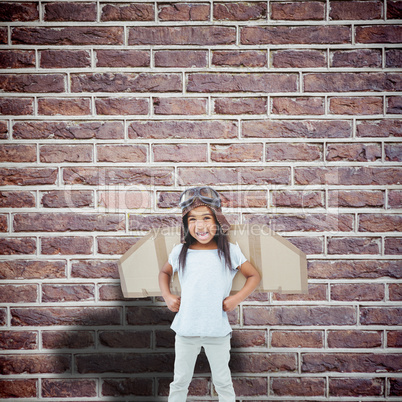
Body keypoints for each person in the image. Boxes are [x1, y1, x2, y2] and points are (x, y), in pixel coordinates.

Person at [158, 186, 261, 402]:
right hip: (186, 331)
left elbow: (253, 276)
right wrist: (167, 296)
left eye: (206, 217)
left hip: (217, 331)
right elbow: (164, 272)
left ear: (217, 220)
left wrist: (237, 298)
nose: (200, 225)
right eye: (192, 219)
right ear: (186, 224)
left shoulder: (230, 251)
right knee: (180, 381)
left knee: (223, 381)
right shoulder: (180, 252)